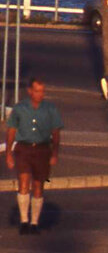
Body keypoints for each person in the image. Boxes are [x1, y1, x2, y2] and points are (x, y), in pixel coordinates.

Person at [5, 77, 64, 236]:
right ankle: (24, 221)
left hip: (42, 150)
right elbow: (11, 131)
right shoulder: (20, 108)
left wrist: (55, 153)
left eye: (42, 91)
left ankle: (34, 223)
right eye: (37, 91)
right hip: (24, 149)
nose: (40, 94)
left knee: (38, 185)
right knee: (23, 182)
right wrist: (9, 153)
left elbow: (56, 133)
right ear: (30, 91)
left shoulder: (50, 109)